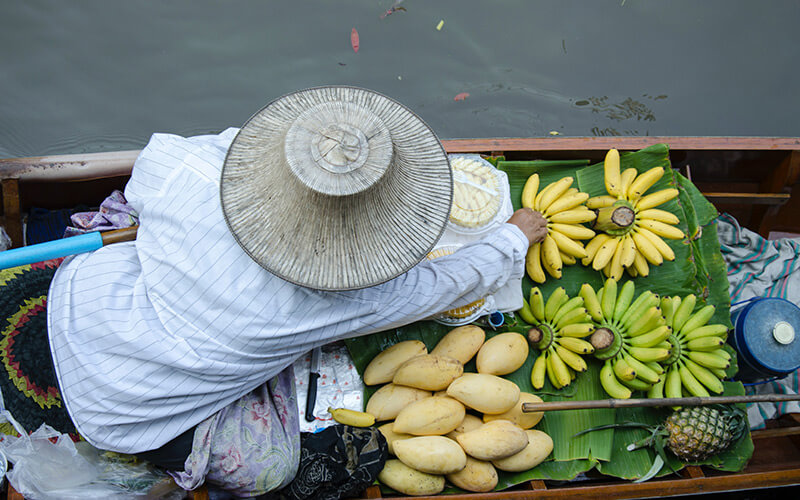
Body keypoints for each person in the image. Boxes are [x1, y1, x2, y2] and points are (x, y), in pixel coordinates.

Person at [39, 87, 548, 496]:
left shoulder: (183, 167)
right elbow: (436, 286)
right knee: (270, 470)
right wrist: (512, 239)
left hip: (83, 295)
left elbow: (172, 161)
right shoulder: (328, 300)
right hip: (119, 405)